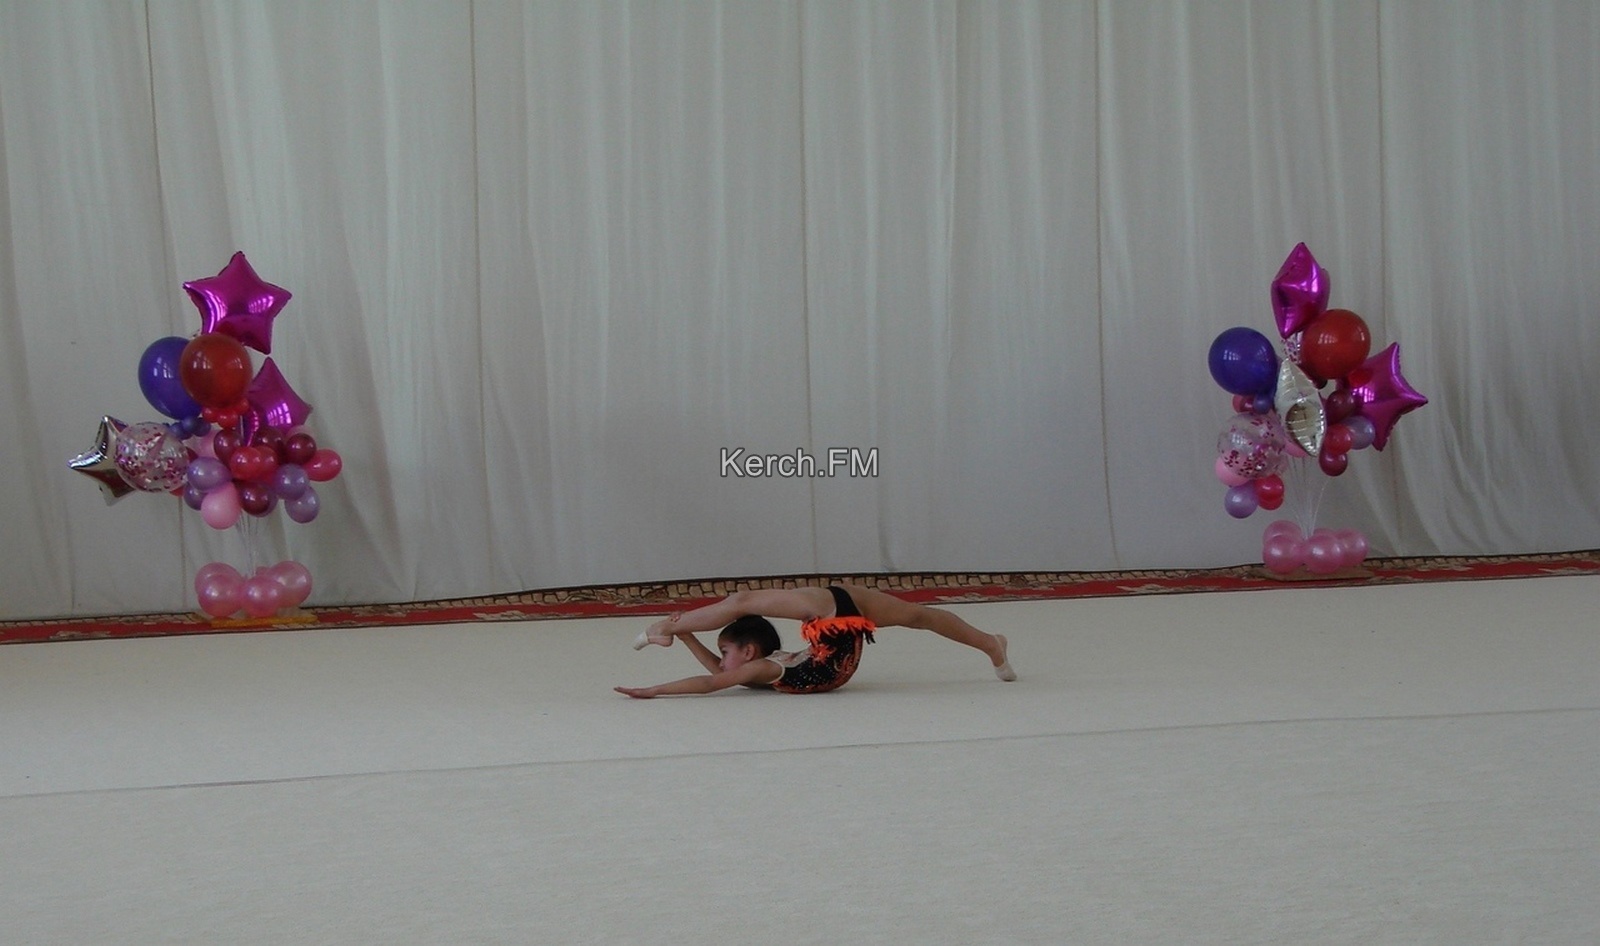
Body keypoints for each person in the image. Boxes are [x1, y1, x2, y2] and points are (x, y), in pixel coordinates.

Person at [614, 584, 1015, 698]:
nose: (720, 661)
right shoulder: (762, 669)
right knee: (920, 616)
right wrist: (687, 636)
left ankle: (991, 644)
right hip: (837, 620)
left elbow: (710, 682)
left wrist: (655, 690)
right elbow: (718, 673)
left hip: (831, 617)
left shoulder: (763, 669)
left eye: (724, 652)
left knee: (743, 601)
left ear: (749, 652)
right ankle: (991, 643)